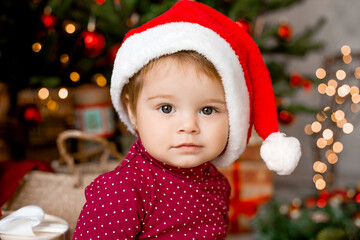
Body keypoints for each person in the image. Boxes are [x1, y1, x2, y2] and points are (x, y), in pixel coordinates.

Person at [73, 0, 301, 239]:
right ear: (133, 112)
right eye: (166, 108)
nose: (189, 126)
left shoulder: (216, 183)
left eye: (208, 110)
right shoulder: (123, 190)